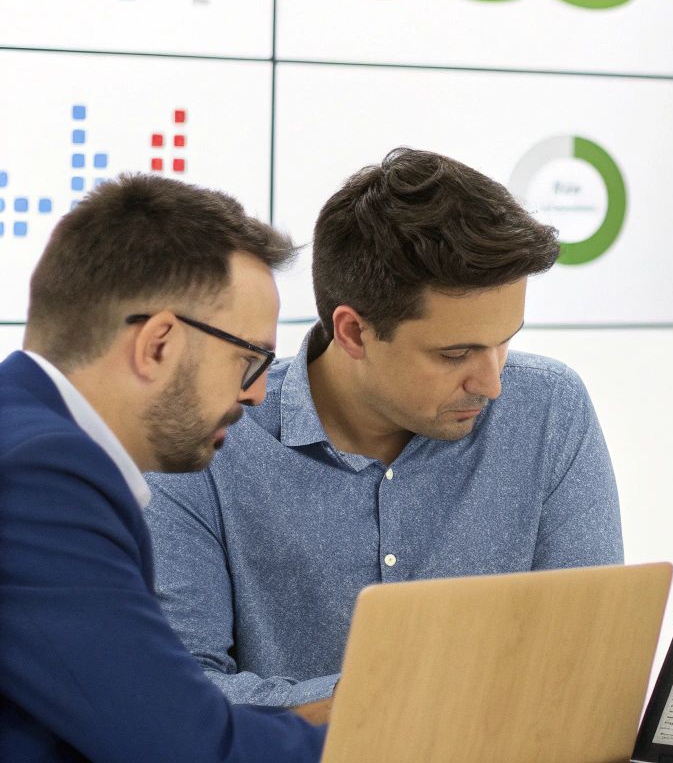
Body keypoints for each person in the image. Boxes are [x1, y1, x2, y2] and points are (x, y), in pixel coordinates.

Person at [147, 148, 624, 707]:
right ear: (352, 332)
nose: (492, 384)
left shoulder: (548, 407)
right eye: (456, 354)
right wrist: (402, 695)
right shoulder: (210, 439)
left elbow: (586, 662)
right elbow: (178, 697)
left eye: (505, 341)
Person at [0, 176, 327, 760]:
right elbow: (183, 747)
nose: (256, 396)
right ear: (158, 344)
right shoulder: (42, 474)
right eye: (249, 360)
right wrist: (407, 733)